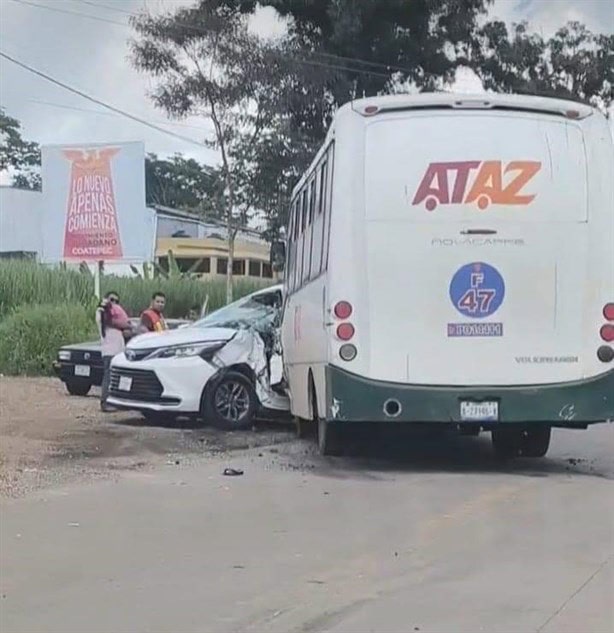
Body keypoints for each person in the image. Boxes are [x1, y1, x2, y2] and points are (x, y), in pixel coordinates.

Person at [96, 291, 131, 412]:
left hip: (118, 350)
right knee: (108, 376)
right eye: (112, 300)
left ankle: (114, 402)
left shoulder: (114, 316)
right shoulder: (103, 313)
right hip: (109, 350)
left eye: (116, 301)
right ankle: (105, 402)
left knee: (115, 377)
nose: (114, 303)